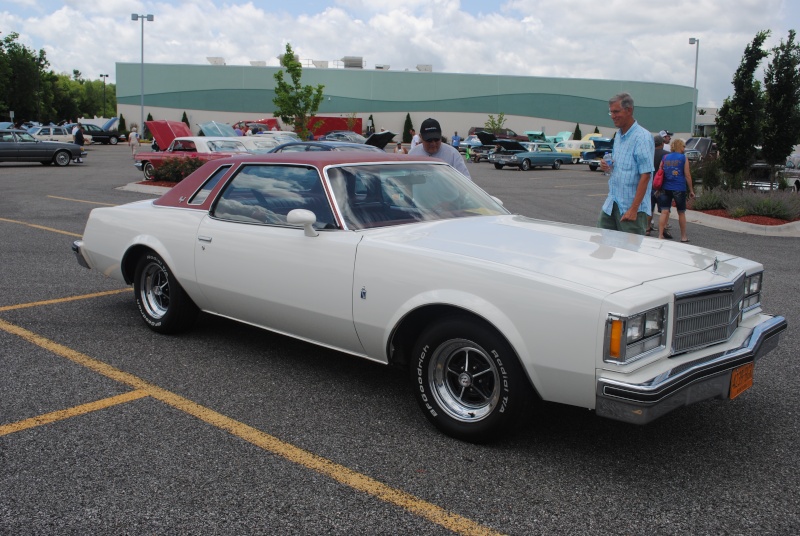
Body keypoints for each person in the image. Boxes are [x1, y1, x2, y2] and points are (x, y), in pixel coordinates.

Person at [598, 93, 654, 235]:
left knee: (629, 254)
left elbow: (646, 175)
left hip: (631, 209)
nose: (612, 115)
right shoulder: (618, 136)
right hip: (612, 203)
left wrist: (633, 209)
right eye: (611, 112)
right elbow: (619, 166)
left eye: (616, 111)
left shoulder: (642, 138)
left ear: (629, 110)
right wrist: (607, 166)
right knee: (602, 247)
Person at [656, 138, 694, 242]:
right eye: (683, 146)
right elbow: (687, 175)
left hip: (665, 187)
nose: (684, 148)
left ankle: (660, 235)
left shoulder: (665, 157)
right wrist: (691, 190)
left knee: (664, 211)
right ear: (680, 146)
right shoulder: (683, 158)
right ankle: (683, 236)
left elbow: (660, 172)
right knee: (681, 212)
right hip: (679, 187)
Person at [646, 134, 669, 235]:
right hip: (661, 185)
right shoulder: (666, 155)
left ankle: (647, 228)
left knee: (649, 208)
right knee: (664, 210)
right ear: (662, 143)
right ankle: (663, 229)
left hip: (649, 184)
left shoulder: (648, 154)